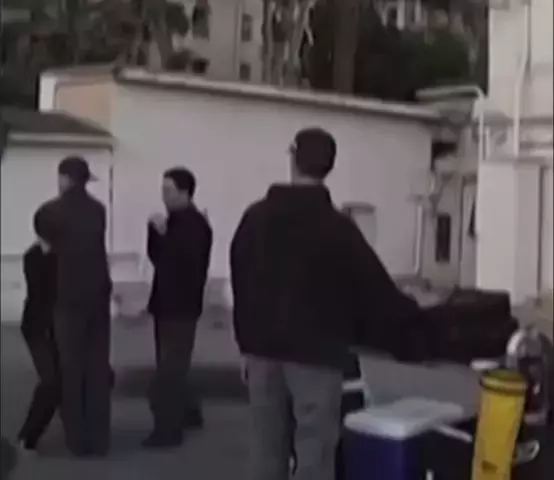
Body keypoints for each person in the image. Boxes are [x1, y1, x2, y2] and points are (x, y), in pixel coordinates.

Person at [231, 127, 420, 480]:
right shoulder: (339, 229)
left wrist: (244, 343)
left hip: (261, 352)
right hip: (317, 358)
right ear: (329, 167)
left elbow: (241, 281)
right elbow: (374, 290)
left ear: (292, 158)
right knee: (315, 453)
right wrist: (416, 317)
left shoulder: (255, 218)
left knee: (265, 449)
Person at [35, 156, 112, 457]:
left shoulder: (48, 212)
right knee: (97, 367)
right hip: (98, 297)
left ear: (63, 178)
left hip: (67, 299)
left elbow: (45, 252)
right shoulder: (99, 210)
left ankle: (77, 440)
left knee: (71, 367)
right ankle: (100, 438)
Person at [144, 167, 213, 449]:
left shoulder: (195, 225)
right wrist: (155, 232)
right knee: (171, 364)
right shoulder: (172, 221)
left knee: (169, 372)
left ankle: (168, 430)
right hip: (165, 304)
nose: (164, 196)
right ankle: (189, 412)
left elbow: (182, 265)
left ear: (186, 193)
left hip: (181, 308)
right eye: (163, 190)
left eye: (169, 191)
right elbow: (157, 257)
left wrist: (162, 234)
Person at [17, 213, 59, 453]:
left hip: (52, 326)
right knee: (51, 381)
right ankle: (27, 436)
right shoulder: (34, 258)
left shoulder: (54, 255)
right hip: (38, 327)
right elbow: (45, 291)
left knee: (58, 378)